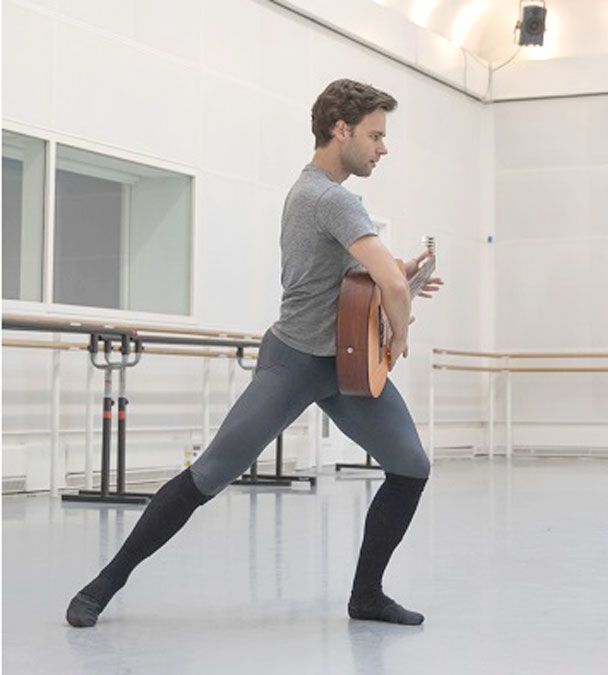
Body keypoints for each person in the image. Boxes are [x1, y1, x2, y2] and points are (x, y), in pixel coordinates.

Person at [66, 79, 443, 628]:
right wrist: (401, 328)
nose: (383, 148)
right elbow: (382, 276)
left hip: (345, 364)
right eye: (375, 135)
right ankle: (103, 584)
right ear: (341, 130)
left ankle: (366, 596)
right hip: (294, 362)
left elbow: (359, 279)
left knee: (410, 466)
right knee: (211, 473)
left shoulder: (331, 197)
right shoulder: (326, 196)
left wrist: (404, 279)